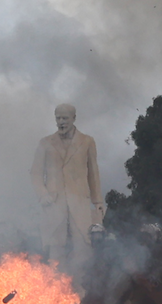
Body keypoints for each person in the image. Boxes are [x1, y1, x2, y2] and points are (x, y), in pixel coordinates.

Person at [30, 104, 105, 272]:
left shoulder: (87, 141)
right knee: (56, 250)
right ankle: (55, 289)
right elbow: (35, 173)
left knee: (83, 247)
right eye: (58, 118)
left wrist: (98, 200)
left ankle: (82, 289)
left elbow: (93, 172)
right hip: (54, 204)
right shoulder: (46, 143)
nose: (61, 122)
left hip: (80, 202)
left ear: (73, 118)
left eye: (65, 118)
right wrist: (43, 194)